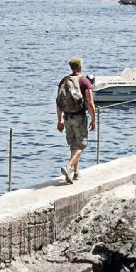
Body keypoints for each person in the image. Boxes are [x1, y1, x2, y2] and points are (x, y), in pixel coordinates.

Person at [55, 56, 97, 184]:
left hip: (67, 117)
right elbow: (90, 103)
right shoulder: (84, 81)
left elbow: (58, 102)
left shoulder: (64, 81)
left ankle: (76, 172)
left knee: (73, 144)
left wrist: (59, 121)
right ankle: (68, 168)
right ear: (80, 67)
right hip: (79, 117)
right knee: (81, 145)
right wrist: (93, 120)